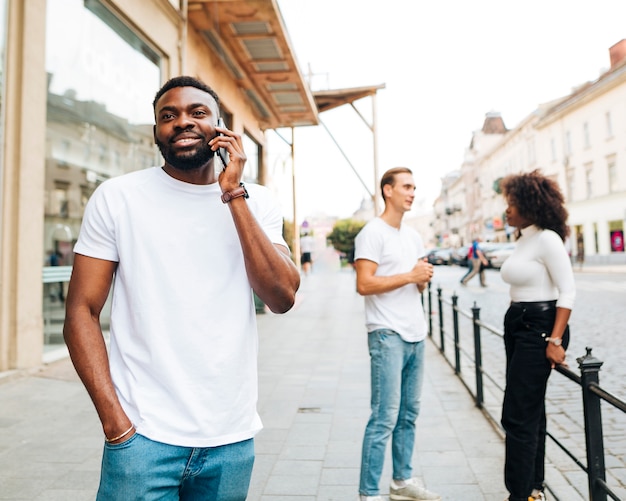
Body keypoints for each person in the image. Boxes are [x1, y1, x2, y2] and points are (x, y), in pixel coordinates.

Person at [63, 76, 300, 501]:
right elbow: (81, 310)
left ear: (221, 127)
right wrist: (116, 424)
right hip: (141, 439)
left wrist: (233, 195)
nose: (182, 122)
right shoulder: (117, 198)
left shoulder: (256, 200)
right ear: (156, 132)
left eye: (197, 112)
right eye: (168, 116)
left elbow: (282, 296)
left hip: (230, 437)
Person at [354, 167, 440, 501]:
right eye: (406, 186)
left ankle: (401, 482)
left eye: (415, 187)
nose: (412, 192)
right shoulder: (371, 233)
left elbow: (417, 282)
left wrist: (421, 277)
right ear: (387, 190)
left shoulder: (413, 235)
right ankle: (369, 493)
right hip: (386, 334)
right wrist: (409, 276)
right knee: (384, 417)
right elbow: (364, 284)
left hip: (416, 333)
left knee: (409, 415)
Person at [499, 169, 575, 501]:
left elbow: (568, 291)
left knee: (515, 415)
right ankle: (532, 488)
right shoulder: (524, 237)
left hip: (539, 328)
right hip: (517, 323)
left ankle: (519, 494)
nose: (507, 209)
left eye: (512, 203)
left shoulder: (547, 238)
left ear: (531, 203)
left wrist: (555, 341)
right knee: (529, 411)